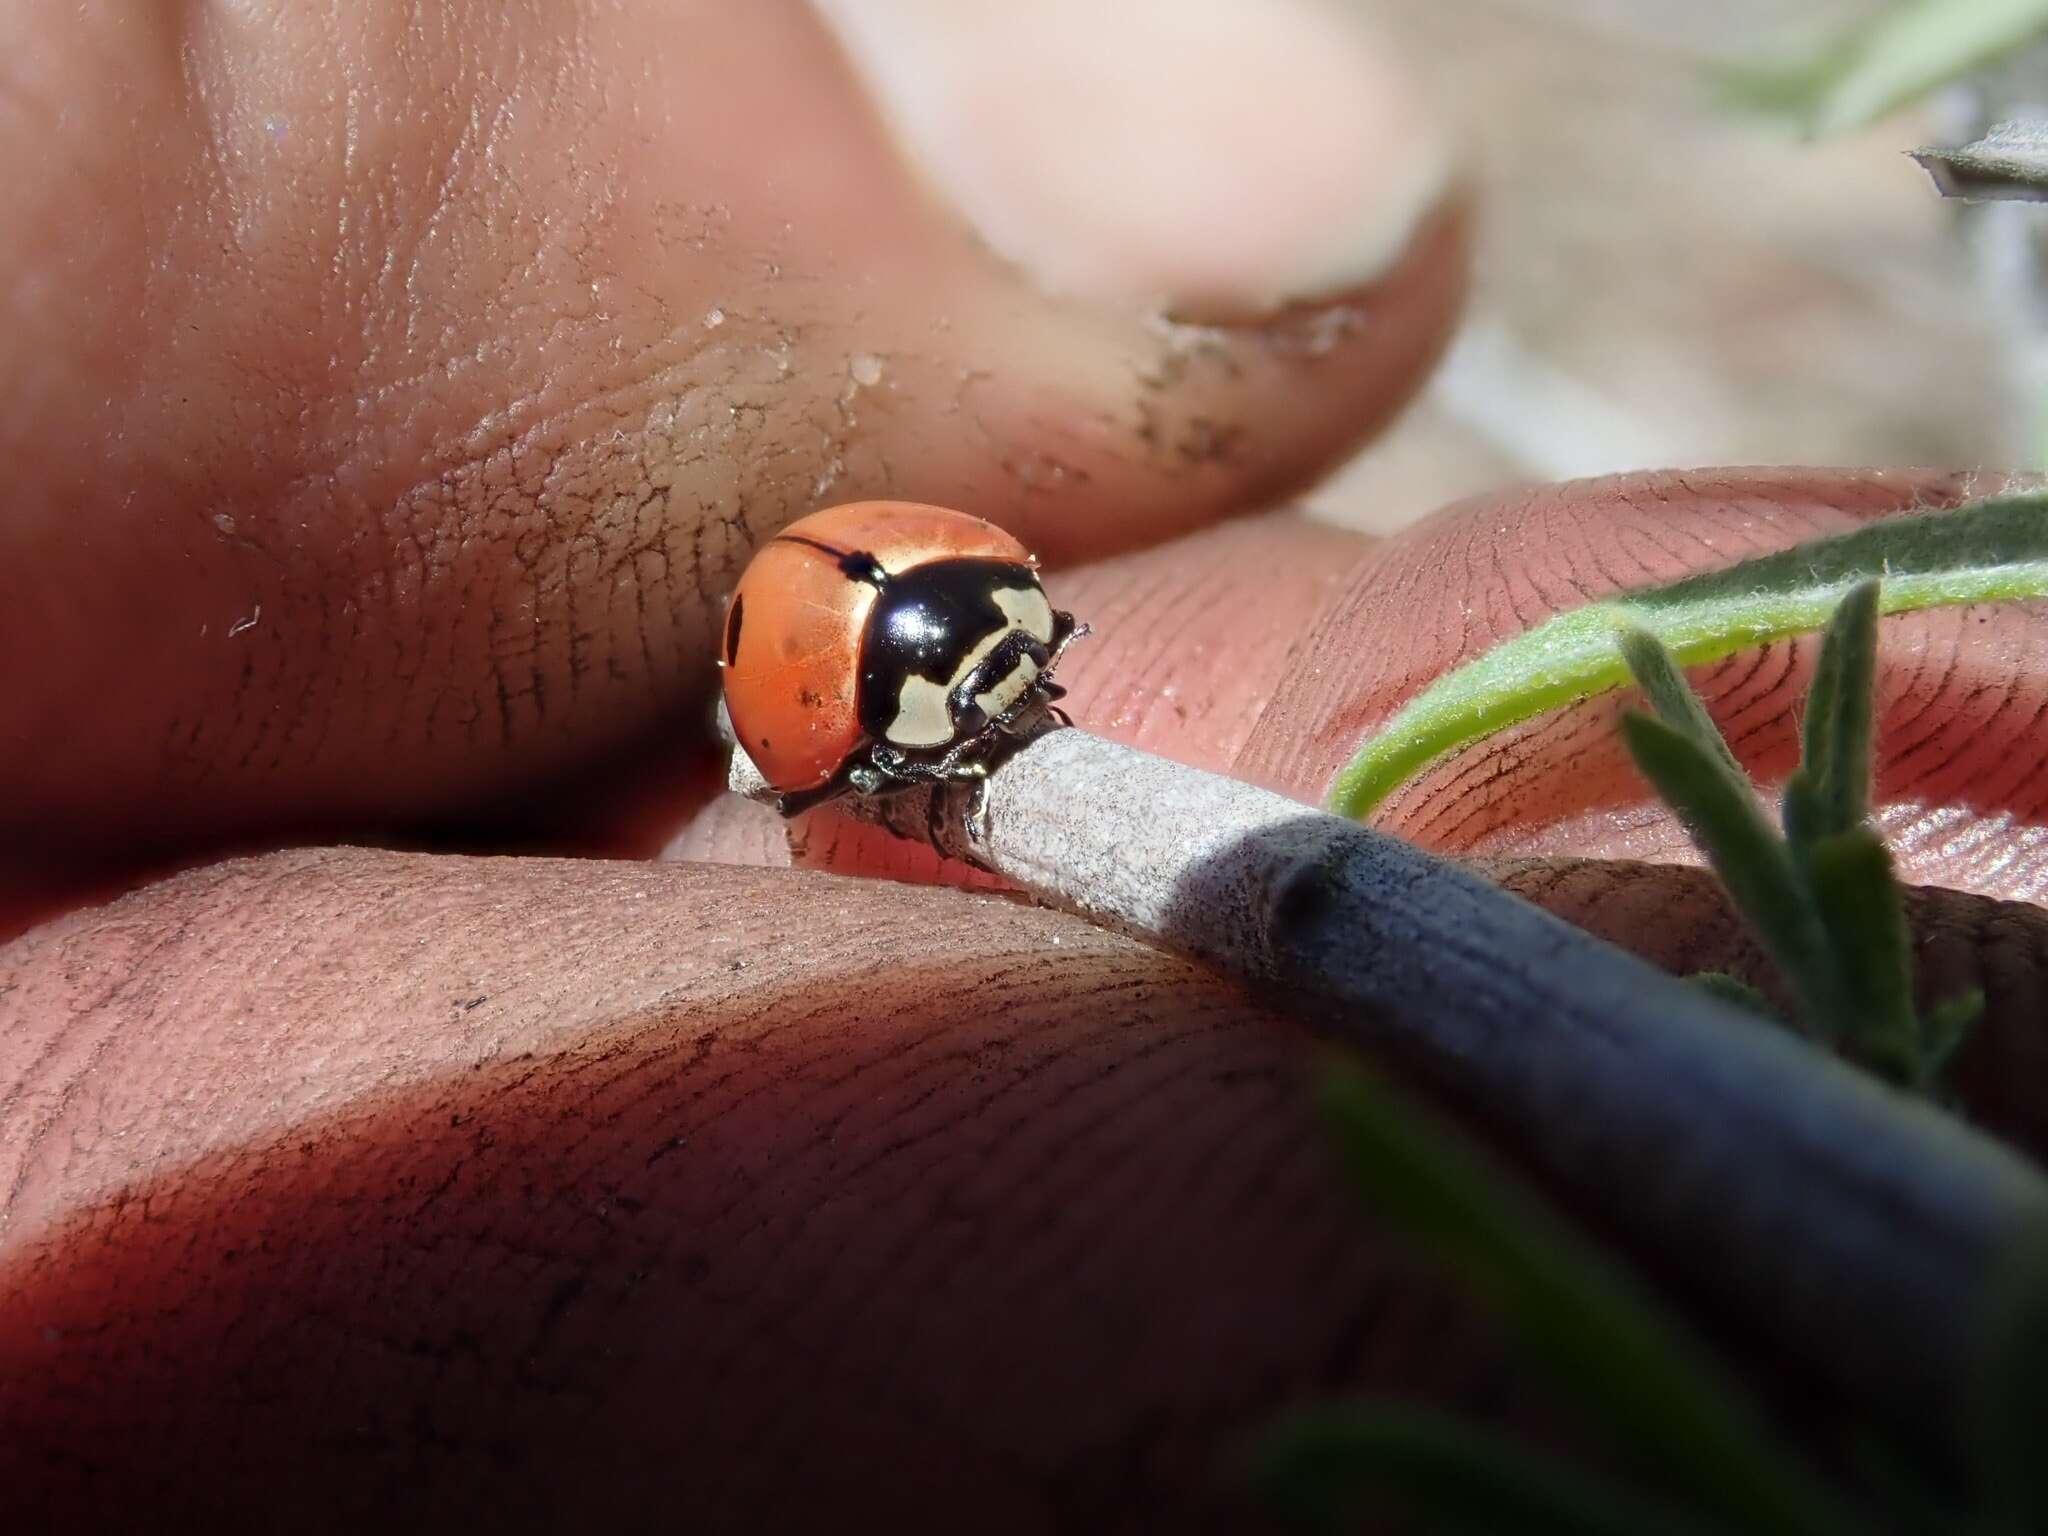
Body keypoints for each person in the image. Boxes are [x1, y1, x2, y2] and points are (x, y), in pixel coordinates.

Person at [2, 2, 2038, 1527]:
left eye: (997, 677)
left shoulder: (933, 638)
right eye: (974, 688)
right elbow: (900, 688)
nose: (996, 688)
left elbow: (950, 655)